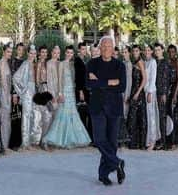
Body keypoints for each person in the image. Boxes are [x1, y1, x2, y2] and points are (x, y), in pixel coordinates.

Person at [86, 36, 126, 186]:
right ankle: (118, 163)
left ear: (113, 48)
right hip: (97, 107)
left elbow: (121, 87)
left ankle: (104, 175)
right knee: (98, 139)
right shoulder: (92, 64)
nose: (106, 49)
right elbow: (89, 83)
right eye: (103, 46)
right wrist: (110, 82)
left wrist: (100, 82)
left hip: (114, 108)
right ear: (100, 48)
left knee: (112, 143)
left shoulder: (120, 66)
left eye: (109, 46)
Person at [45, 46, 92, 148]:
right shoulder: (61, 64)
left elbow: (76, 79)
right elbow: (59, 79)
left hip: (72, 91)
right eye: (68, 52)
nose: (69, 54)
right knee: (63, 114)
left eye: (71, 53)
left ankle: (73, 138)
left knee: (73, 114)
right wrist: (60, 93)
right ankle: (60, 140)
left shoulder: (72, 64)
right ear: (65, 53)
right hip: (64, 91)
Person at [13, 45, 41, 149]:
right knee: (26, 116)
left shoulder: (34, 64)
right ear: (28, 53)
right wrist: (22, 91)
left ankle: (31, 140)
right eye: (31, 53)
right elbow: (15, 78)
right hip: (27, 93)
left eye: (34, 53)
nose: (33, 55)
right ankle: (25, 143)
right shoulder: (25, 64)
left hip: (34, 92)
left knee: (35, 116)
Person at [126, 45, 148, 149]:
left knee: (139, 118)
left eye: (136, 51)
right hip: (133, 91)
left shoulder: (140, 62)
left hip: (139, 93)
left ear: (140, 52)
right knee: (133, 118)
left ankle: (140, 143)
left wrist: (137, 93)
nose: (135, 53)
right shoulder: (134, 62)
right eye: (133, 51)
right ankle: (133, 143)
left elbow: (144, 79)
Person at [155, 43, 176, 150]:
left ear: (162, 50)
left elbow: (170, 79)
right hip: (155, 92)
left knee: (163, 118)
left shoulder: (166, 63)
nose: (157, 51)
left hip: (163, 94)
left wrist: (164, 93)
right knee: (158, 117)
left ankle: (164, 142)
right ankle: (159, 139)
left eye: (159, 50)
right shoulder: (155, 62)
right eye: (156, 50)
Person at [8, 43, 26, 150]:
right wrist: (14, 93)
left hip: (23, 93)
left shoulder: (24, 62)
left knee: (20, 118)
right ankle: (13, 144)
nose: (20, 51)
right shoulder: (12, 62)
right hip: (15, 93)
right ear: (16, 50)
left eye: (22, 50)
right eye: (19, 49)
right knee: (15, 117)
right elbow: (12, 79)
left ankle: (20, 142)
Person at [143, 44, 160, 150]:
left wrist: (149, 92)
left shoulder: (153, 62)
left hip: (150, 91)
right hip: (144, 92)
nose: (147, 51)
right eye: (145, 50)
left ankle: (153, 140)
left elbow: (153, 78)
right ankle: (148, 139)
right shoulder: (144, 62)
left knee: (152, 116)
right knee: (147, 117)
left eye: (149, 50)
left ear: (152, 51)